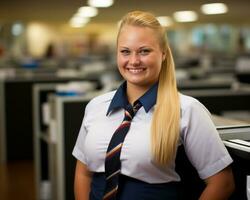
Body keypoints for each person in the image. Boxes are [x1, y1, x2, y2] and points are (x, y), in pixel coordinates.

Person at [73, 11, 235, 200]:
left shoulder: (187, 110)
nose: (133, 61)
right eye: (125, 51)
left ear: (163, 54)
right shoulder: (96, 107)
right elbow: (83, 174)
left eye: (144, 51)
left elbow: (222, 183)